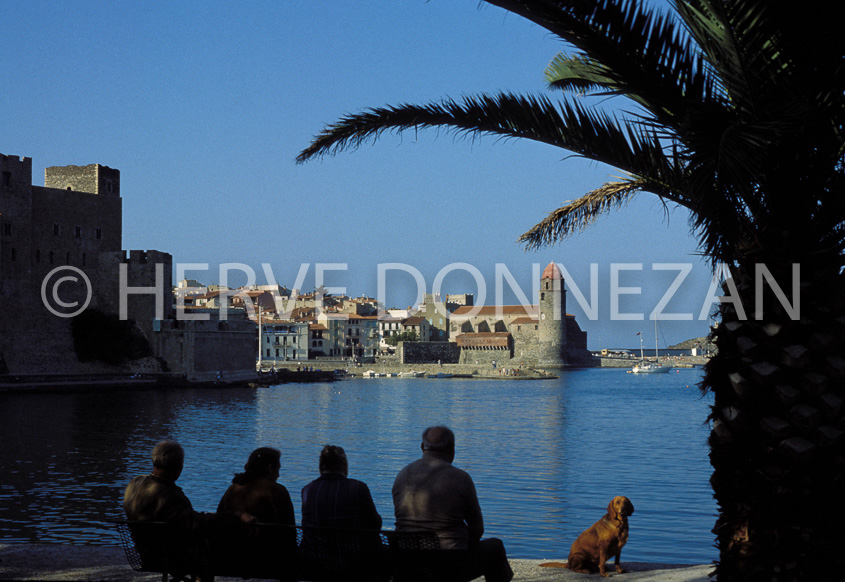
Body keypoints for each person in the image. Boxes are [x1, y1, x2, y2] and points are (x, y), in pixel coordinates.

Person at [392, 426, 513, 582]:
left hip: (408, 563)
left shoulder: (402, 475)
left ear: (422, 447)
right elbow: (477, 528)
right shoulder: (460, 479)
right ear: (452, 449)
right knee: (495, 547)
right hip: (449, 565)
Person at [301, 445, 382, 530]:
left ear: (320, 467)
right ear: (345, 466)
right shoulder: (358, 488)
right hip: (351, 542)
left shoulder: (307, 490)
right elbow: (375, 524)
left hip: (313, 543)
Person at [217, 447, 295, 525]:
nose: (278, 475)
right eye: (278, 469)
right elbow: (288, 526)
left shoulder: (232, 489)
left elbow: (219, 516)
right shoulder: (276, 491)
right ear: (270, 468)